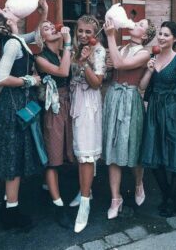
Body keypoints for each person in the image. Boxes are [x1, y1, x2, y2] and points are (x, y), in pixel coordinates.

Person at [0, 0, 47, 230]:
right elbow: (1, 78)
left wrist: (43, 13)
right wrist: (30, 79)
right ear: (5, 20)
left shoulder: (15, 39)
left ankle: (7, 205)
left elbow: (37, 37)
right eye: (3, 10)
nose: (6, 7)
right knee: (13, 160)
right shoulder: (11, 43)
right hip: (13, 107)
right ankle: (11, 213)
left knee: (15, 157)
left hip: (17, 103)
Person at [103, 18, 156, 219]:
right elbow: (111, 67)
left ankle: (138, 183)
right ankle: (115, 198)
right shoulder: (120, 47)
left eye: (141, 24)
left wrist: (109, 37)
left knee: (133, 145)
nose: (135, 23)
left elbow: (120, 64)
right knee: (113, 146)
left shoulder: (144, 53)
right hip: (114, 97)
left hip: (131, 99)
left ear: (144, 36)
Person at [140, 21, 176, 217]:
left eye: (166, 35)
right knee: (155, 156)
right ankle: (168, 195)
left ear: (175, 38)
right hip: (154, 111)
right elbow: (143, 86)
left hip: (173, 110)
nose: (161, 37)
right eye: (160, 34)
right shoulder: (153, 56)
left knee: (175, 154)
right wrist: (150, 69)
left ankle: (171, 199)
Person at [35, 17, 73, 228]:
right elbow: (63, 72)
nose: (52, 28)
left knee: (63, 149)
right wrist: (67, 43)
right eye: (46, 28)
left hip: (68, 103)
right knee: (53, 156)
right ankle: (58, 206)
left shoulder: (62, 53)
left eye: (52, 25)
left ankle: (44, 187)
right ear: (41, 37)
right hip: (53, 107)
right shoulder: (40, 58)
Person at [70, 15, 106, 233]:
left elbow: (97, 83)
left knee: (85, 153)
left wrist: (84, 63)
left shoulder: (99, 51)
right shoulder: (77, 48)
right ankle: (86, 190)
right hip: (75, 101)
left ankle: (85, 204)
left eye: (88, 32)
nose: (83, 35)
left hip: (88, 104)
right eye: (80, 31)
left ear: (96, 34)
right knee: (81, 151)